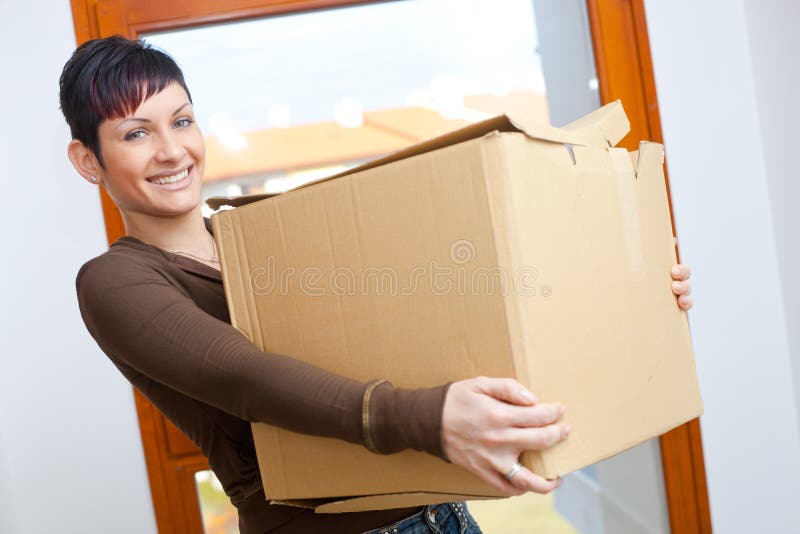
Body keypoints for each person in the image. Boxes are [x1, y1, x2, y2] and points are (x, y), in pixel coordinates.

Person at [61, 36, 694, 534]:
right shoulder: (114, 283)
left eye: (182, 121)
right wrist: (428, 418)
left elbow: (452, 290)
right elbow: (244, 377)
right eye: (136, 133)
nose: (172, 151)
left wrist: (624, 288)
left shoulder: (262, 228)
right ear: (89, 159)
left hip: (437, 516)